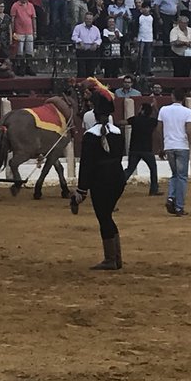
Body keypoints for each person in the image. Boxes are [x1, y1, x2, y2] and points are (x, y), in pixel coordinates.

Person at [71, 87, 125, 270]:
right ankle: (116, 258)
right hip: (117, 178)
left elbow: (87, 165)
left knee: (104, 217)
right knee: (107, 216)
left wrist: (81, 190)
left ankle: (111, 260)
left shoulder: (90, 136)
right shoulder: (117, 132)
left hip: (101, 181)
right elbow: (119, 157)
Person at [159, 87, 191, 216]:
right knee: (182, 177)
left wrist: (162, 146)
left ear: (172, 96)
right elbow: (189, 132)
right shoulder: (187, 111)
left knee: (175, 175)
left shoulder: (163, 110)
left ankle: (171, 197)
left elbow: (159, 129)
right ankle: (179, 207)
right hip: (182, 146)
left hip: (169, 146)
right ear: (184, 98)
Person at [123, 100, 160, 195]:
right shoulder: (151, 121)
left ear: (143, 111)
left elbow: (123, 123)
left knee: (130, 169)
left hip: (134, 149)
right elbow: (159, 117)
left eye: (140, 109)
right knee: (153, 169)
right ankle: (154, 190)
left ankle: (117, 183)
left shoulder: (135, 119)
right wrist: (155, 108)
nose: (139, 110)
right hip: (147, 150)